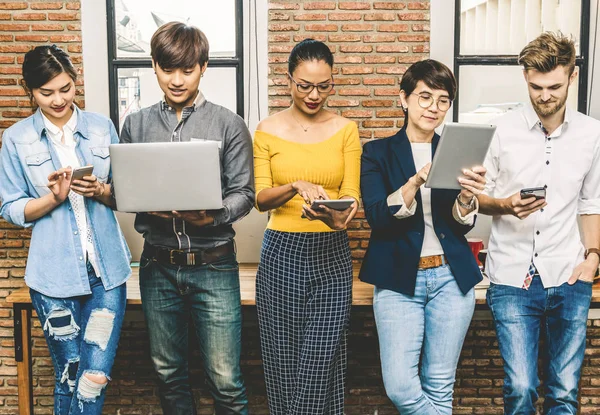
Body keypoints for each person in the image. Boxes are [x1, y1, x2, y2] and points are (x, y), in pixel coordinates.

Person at [117, 22, 253, 415]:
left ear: (204, 67)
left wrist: (209, 217)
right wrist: (138, 201)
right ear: (154, 66)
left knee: (225, 379)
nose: (176, 80)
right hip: (157, 264)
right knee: (168, 373)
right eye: (167, 69)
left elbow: (244, 195)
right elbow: (124, 189)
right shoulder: (136, 124)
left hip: (215, 265)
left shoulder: (229, 124)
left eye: (187, 70)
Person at [0, 45, 131, 414]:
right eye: (46, 92)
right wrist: (53, 198)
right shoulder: (17, 139)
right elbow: (10, 207)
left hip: (107, 274)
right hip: (52, 278)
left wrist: (102, 190)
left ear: (75, 83)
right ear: (30, 90)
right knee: (70, 375)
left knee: (94, 377)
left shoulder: (101, 128)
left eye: (66, 88)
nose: (58, 99)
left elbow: (127, 193)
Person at [478, 32, 600, 415]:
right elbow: (475, 199)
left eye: (554, 86)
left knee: (564, 392)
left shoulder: (592, 134)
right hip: (511, 277)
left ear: (572, 77)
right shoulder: (500, 131)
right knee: (521, 387)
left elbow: (590, 201)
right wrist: (506, 205)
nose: (544, 96)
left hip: (569, 273)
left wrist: (593, 257)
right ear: (525, 78)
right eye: (535, 86)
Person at [359, 59, 486, 414]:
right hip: (399, 279)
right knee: (400, 387)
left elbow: (461, 226)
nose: (434, 107)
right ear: (404, 99)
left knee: (439, 386)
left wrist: (466, 197)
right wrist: (415, 182)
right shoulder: (377, 152)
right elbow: (377, 217)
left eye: (443, 100)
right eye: (425, 97)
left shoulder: (456, 150)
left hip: (450, 278)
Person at [253, 38, 361, 414]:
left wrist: (336, 216)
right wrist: (295, 186)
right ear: (289, 81)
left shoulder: (347, 130)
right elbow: (260, 198)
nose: (314, 95)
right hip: (281, 251)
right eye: (305, 85)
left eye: (323, 85)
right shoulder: (266, 130)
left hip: (332, 255)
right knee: (282, 362)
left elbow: (351, 196)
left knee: (322, 362)